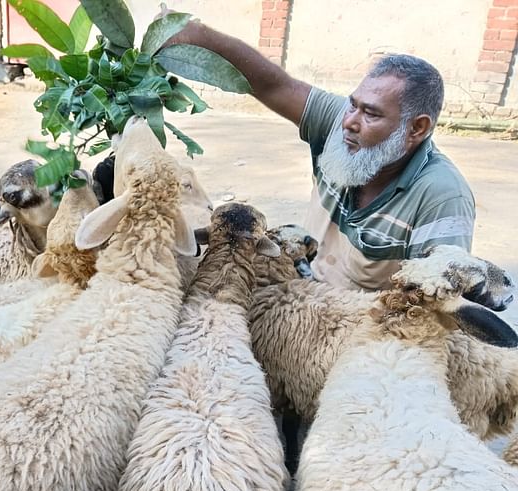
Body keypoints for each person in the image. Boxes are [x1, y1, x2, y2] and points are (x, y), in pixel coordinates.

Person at [168, 20, 475, 292]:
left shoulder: (443, 197)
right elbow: (272, 83)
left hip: (357, 333)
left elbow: (438, 302)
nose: (349, 121)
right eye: (353, 104)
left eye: (371, 113)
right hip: (296, 292)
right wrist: (195, 34)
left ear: (417, 128)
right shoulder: (339, 122)